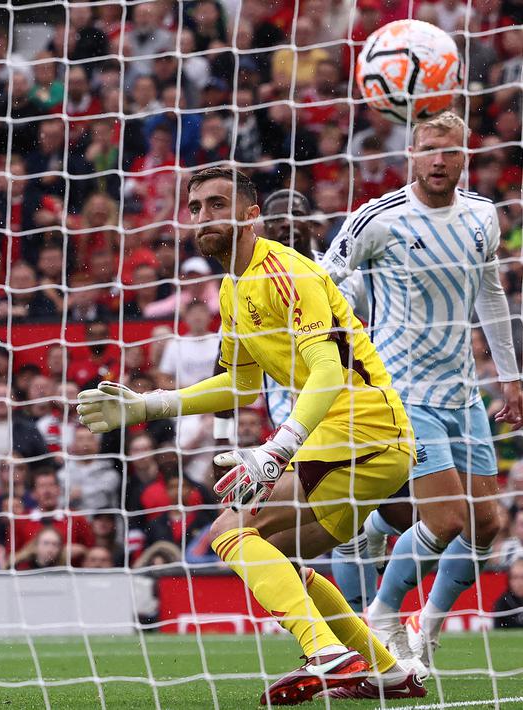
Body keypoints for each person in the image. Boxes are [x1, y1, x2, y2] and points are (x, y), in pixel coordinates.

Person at [77, 166, 422, 703]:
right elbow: (239, 385)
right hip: (355, 439)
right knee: (276, 556)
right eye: (195, 208)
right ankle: (388, 671)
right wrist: (149, 405)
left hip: (364, 428)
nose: (204, 217)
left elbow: (329, 372)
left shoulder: (286, 272)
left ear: (251, 215)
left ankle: (327, 653)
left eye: (218, 205)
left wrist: (275, 449)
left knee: (228, 530)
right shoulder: (232, 288)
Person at [318, 111, 523, 673]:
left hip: (463, 393)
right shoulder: (376, 220)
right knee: (447, 519)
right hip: (403, 392)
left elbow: (490, 294)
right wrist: (334, 356)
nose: (440, 160)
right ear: (411, 154)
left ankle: (423, 627)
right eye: (430, 149)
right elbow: (324, 283)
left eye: (450, 151)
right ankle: (382, 616)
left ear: (465, 157)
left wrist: (510, 375)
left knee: (487, 527)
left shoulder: (483, 217)